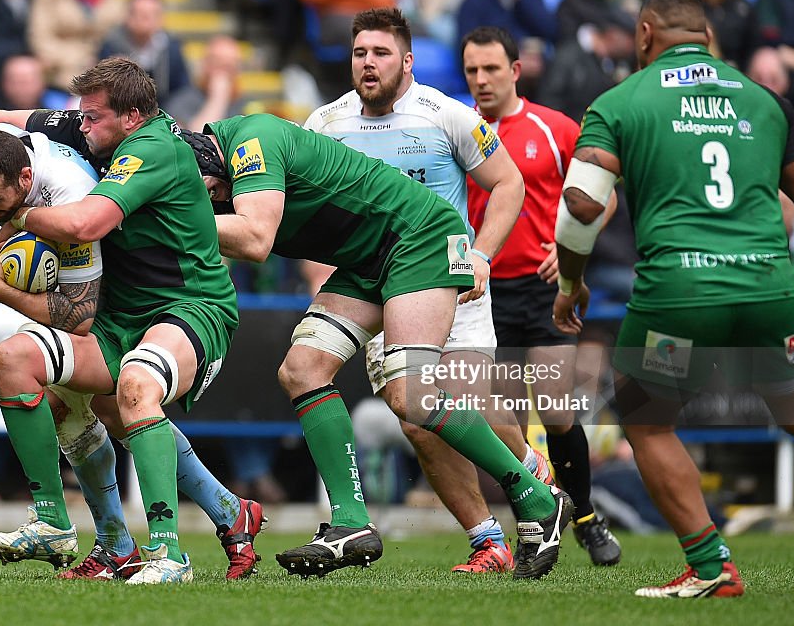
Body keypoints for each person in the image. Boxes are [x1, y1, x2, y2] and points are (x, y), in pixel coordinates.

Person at [0, 115, 263, 583]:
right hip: (116, 307)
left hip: (155, 303)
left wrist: (5, 289)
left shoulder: (72, 191)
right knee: (24, 366)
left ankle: (165, 549)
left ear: (25, 179)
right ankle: (67, 524)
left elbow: (80, 315)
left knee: (125, 398)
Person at [186, 105, 572, 579]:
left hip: (418, 237)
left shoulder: (252, 140)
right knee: (302, 369)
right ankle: (351, 522)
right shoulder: (219, 165)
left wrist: (171, 225)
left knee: (413, 394)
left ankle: (534, 494)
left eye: (212, 193)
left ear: (214, 166)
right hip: (369, 257)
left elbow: (257, 238)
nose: (216, 201)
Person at [551, 0, 794, 598]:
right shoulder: (767, 101)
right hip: (770, 292)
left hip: (680, 298)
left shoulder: (620, 101)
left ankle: (710, 567)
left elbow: (581, 205)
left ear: (644, 34)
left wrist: (570, 283)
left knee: (646, 420)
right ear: (708, 36)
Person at [302, 7, 554, 575]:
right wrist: (318, 269)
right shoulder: (326, 123)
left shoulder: (448, 116)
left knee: (473, 406)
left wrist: (482, 253)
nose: (368, 64)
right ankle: (488, 540)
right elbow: (305, 202)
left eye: (381, 53)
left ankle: (538, 487)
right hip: (377, 286)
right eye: (360, 53)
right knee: (416, 418)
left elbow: (508, 182)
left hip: (450, 284)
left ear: (407, 60)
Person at [462, 25, 621, 566]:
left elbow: (602, 192)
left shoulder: (552, 128)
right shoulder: (455, 129)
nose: (481, 80)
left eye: (490, 69)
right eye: (471, 71)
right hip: (481, 294)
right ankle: (536, 521)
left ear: (515, 70)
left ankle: (586, 518)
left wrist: (578, 246)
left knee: (555, 410)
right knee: (504, 419)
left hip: (543, 287)